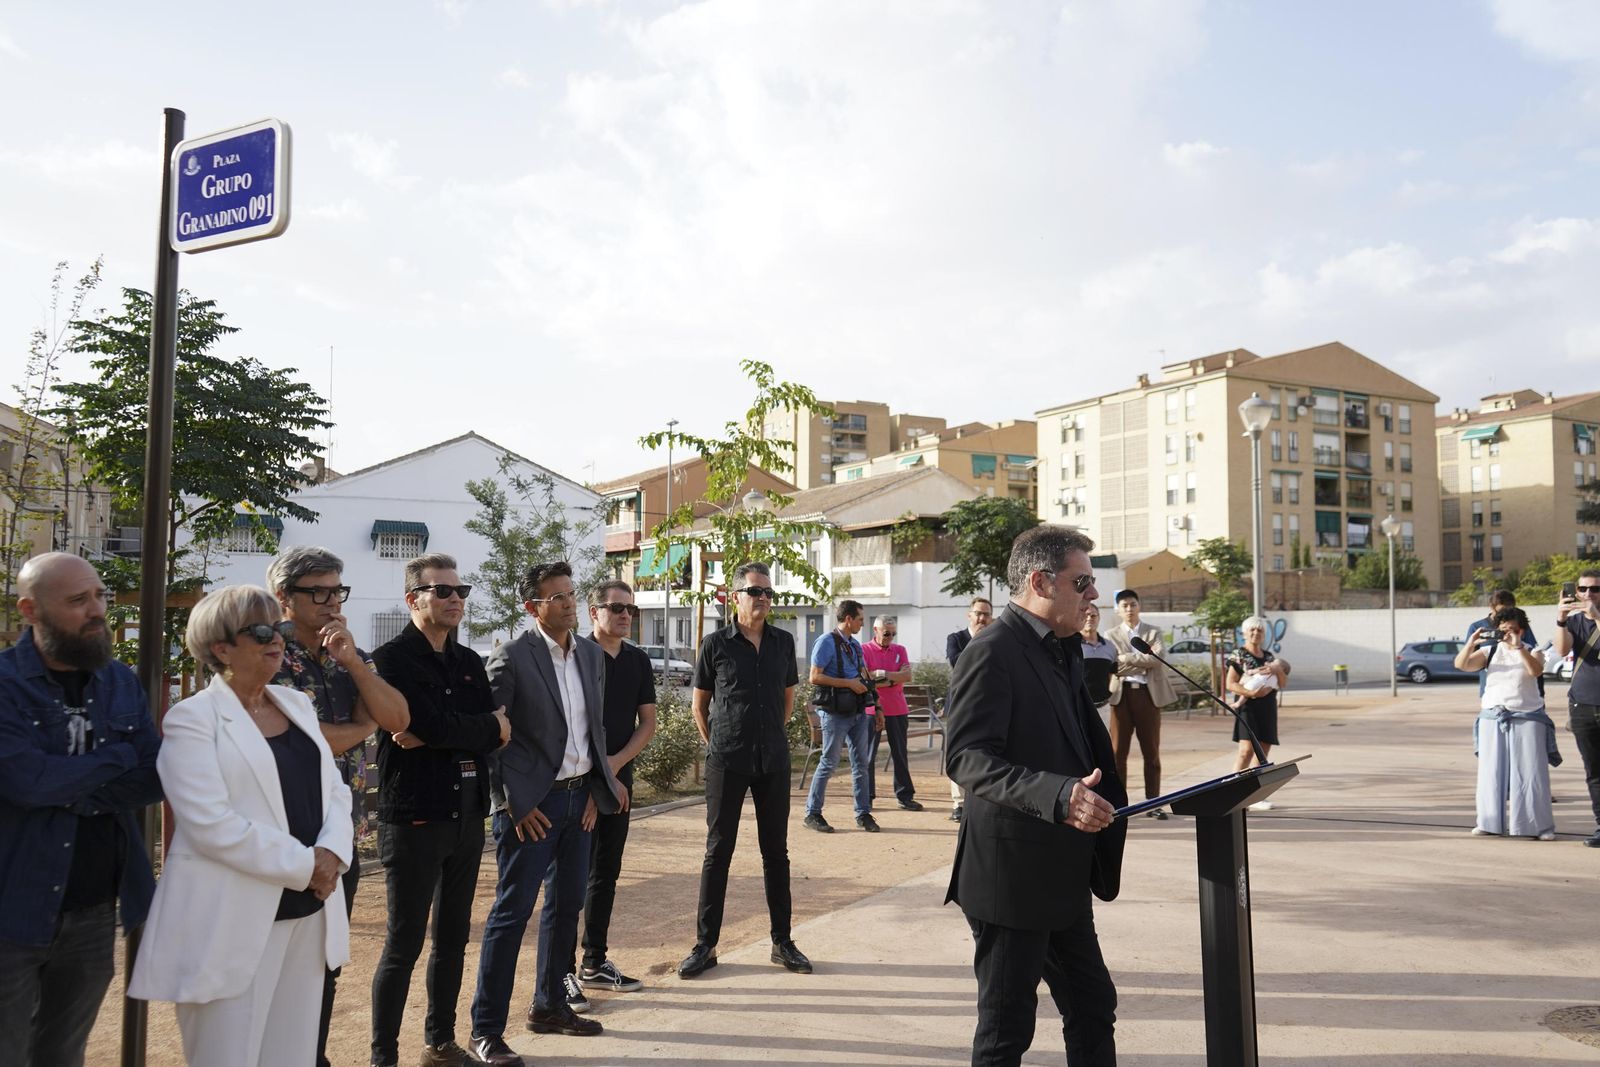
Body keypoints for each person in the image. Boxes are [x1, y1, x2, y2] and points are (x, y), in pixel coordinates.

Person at [129, 585, 353, 1067]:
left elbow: (334, 789)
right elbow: (210, 824)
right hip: (229, 925)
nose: (278, 639)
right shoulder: (193, 720)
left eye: (281, 627)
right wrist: (306, 865)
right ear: (221, 647)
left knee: (291, 1057)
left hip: (307, 913)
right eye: (261, 630)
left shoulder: (295, 704)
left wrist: (333, 853)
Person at [945, 525, 1126, 1067]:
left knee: (1093, 1005)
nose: (1093, 594)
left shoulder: (1063, 649)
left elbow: (1076, 741)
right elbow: (967, 759)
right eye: (1083, 581)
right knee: (1007, 1032)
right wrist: (1059, 795)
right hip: (1011, 877)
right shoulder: (991, 652)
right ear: (1041, 581)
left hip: (1064, 869)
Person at [0, 553, 162, 1067]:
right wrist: (115, 755)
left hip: (94, 912)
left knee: (63, 1055)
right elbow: (26, 781)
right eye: (78, 601)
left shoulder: (118, 682)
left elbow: (155, 774)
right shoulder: (4, 685)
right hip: (11, 912)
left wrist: (66, 787)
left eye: (99, 597)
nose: (97, 611)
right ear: (31, 610)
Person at [469, 561, 627, 1066]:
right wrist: (514, 804)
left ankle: (551, 1005)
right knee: (511, 915)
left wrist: (592, 791)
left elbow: (592, 732)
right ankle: (486, 1029)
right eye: (556, 596)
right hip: (531, 808)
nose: (568, 602)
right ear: (532, 606)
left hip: (578, 801)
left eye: (571, 593)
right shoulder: (510, 657)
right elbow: (492, 740)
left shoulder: (589, 655)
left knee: (566, 910)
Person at [264, 546, 409, 1067]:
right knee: (276, 963)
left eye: (337, 591)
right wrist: (362, 726)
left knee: (327, 960)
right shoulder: (267, 653)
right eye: (317, 592)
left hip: (341, 831)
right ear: (284, 598)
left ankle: (313, 1055)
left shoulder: (350, 653)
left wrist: (352, 663)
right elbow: (304, 738)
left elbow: (396, 715)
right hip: (284, 829)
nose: (331, 602)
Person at [369, 554, 511, 1067]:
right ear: (415, 599)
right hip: (414, 816)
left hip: (468, 816)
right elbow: (446, 724)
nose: (456, 599)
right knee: (403, 944)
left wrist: (452, 730)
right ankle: (383, 1057)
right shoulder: (389, 661)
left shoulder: (470, 662)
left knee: (452, 939)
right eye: (444, 591)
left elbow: (489, 731)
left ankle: (440, 1042)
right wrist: (474, 727)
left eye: (461, 590)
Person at [677, 561, 810, 979]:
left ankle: (782, 942)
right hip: (727, 761)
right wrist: (717, 744)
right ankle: (705, 946)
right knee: (718, 852)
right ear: (735, 596)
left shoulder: (783, 643)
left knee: (777, 853)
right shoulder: (715, 644)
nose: (764, 599)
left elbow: (787, 702)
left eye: (769, 593)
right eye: (756, 592)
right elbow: (700, 706)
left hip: (772, 759)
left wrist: (768, 733)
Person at [559, 579, 657, 1013]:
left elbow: (647, 724)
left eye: (630, 610)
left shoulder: (638, 660)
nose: (624, 615)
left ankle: (593, 962)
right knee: (568, 880)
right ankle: (558, 973)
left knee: (605, 873)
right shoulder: (575, 656)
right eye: (616, 607)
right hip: (577, 784)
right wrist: (598, 778)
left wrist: (614, 770)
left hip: (618, 783)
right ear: (593, 610)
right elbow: (572, 727)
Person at [1454, 607, 1555, 839]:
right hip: (1493, 716)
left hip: (1527, 716)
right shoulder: (1490, 651)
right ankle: (1488, 823)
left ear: (1523, 629)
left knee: (1531, 774)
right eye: (1503, 630)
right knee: (1491, 772)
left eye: (1514, 629)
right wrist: (1471, 643)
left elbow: (1535, 671)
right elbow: (1461, 664)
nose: (1509, 633)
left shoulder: (1535, 651)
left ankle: (1538, 826)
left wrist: (1519, 646)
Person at [804, 600, 877, 833]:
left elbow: (863, 676)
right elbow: (814, 677)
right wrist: (849, 684)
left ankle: (863, 813)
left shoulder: (855, 645)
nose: (861, 624)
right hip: (835, 713)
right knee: (829, 762)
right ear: (848, 619)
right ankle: (812, 813)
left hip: (857, 711)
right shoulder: (826, 641)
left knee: (861, 764)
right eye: (859, 620)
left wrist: (877, 704)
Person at [1105, 589, 1176, 819]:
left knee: (1151, 752)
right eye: (1124, 605)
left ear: (1139, 606)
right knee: (1118, 754)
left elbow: (1157, 660)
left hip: (1148, 696)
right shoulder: (1110, 634)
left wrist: (1128, 658)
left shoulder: (1153, 632)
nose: (1129, 609)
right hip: (1121, 696)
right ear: (1118, 609)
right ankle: (1119, 804)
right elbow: (1115, 665)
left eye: (1132, 604)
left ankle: (1153, 802)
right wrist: (1141, 661)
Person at [1224, 617, 1291, 809]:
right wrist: (1251, 692)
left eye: (1259, 631)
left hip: (1267, 707)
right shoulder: (1238, 655)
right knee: (1246, 750)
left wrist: (1278, 670)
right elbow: (1231, 684)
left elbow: (1283, 684)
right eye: (1252, 630)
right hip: (1248, 707)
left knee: (1263, 751)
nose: (1256, 634)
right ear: (1244, 633)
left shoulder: (1270, 657)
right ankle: (1232, 790)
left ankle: (1254, 794)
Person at [1555, 568, 1600, 847]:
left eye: (1594, 589)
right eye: (1582, 589)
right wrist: (1560, 620)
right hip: (1582, 704)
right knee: (1594, 771)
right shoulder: (1573, 622)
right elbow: (1561, 651)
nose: (1587, 594)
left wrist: (1596, 617)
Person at [863, 614, 921, 811]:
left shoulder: (900, 650)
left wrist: (883, 675)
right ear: (876, 630)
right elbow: (866, 678)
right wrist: (892, 679)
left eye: (893, 634)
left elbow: (907, 675)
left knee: (900, 754)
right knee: (868, 755)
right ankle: (867, 796)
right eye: (887, 633)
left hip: (897, 708)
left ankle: (905, 795)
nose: (890, 637)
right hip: (872, 709)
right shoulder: (864, 650)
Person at [945, 597, 993, 822]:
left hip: (989, 704)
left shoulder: (996, 640)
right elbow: (958, 663)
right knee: (959, 752)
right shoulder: (956, 638)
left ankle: (981, 800)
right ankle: (959, 804)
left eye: (986, 614)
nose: (982, 618)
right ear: (969, 615)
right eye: (978, 613)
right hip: (960, 706)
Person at [1465, 589, 1538, 699]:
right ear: (1491, 606)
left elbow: (1532, 650)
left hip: (1521, 687)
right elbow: (1468, 659)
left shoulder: (1519, 626)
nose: (1504, 615)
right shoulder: (1478, 627)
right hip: (1492, 685)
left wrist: (1516, 642)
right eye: (1501, 611)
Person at [1079, 605, 1117, 730]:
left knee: (1102, 745)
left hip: (1103, 708)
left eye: (1093, 615)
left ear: (1099, 618)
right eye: (1086, 615)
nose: (1090, 618)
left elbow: (1112, 675)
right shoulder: (1070, 645)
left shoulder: (1110, 647)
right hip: (1079, 708)